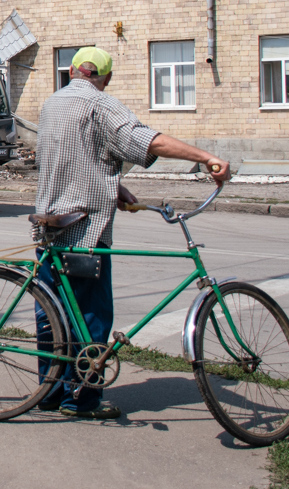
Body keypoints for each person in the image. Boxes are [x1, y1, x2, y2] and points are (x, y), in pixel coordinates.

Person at [32, 47, 230, 420]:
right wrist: (206, 158)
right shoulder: (101, 105)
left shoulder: (51, 104)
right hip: (84, 231)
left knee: (51, 315)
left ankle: (49, 392)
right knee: (89, 319)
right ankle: (82, 401)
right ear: (104, 77)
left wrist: (112, 186)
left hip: (49, 224)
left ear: (73, 70)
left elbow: (71, 156)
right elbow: (147, 140)